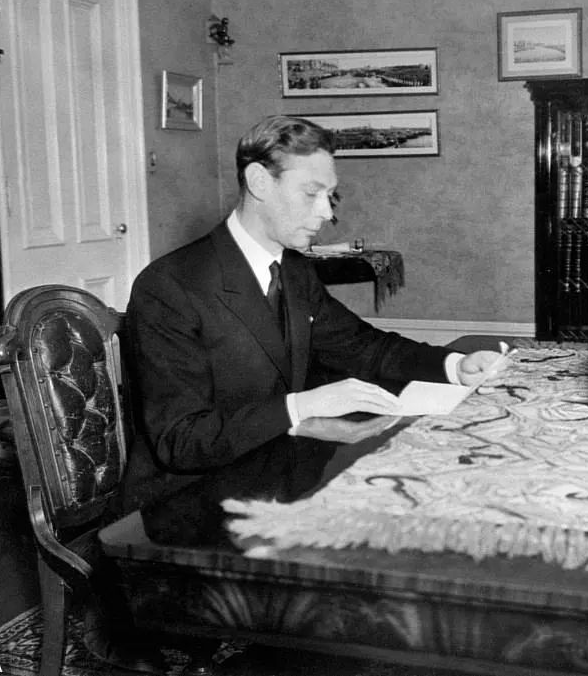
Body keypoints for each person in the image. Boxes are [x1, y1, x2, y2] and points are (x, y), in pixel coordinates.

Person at [120, 115, 503, 512]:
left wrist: (454, 365)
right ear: (259, 182)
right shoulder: (170, 286)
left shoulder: (294, 271)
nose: (326, 213)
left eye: (330, 196)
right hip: (184, 507)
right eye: (311, 193)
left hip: (275, 476)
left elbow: (364, 347)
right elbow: (181, 440)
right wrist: (302, 406)